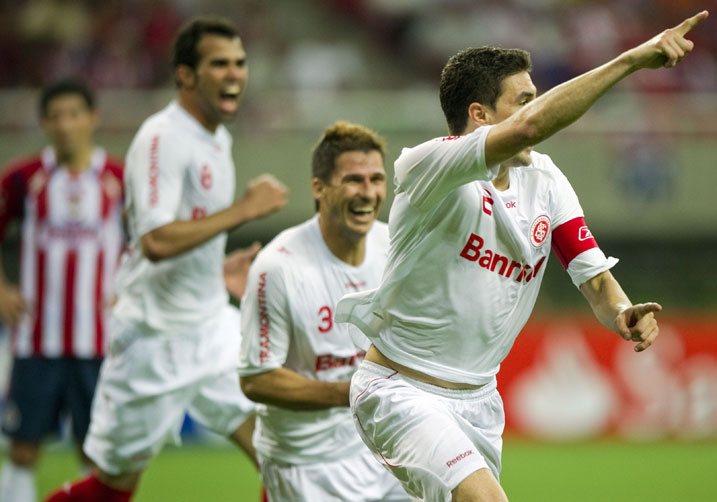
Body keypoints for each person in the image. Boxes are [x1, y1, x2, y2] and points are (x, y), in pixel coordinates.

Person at [335, 11, 709, 502]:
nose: (537, 109)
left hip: (480, 403)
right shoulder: (429, 165)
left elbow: (594, 277)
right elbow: (530, 128)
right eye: (524, 99)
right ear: (480, 115)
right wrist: (631, 61)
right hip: (401, 389)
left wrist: (622, 311)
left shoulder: (545, 180)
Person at [44, 16, 288, 502]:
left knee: (286, 458)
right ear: (185, 76)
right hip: (152, 339)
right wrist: (244, 210)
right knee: (113, 487)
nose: (234, 74)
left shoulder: (216, 138)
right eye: (219, 64)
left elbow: (185, 230)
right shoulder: (163, 138)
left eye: (239, 63)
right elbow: (155, 240)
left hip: (211, 329)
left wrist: (215, 270)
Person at [238, 121, 410, 502]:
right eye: (353, 180)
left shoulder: (394, 247)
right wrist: (351, 392)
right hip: (308, 463)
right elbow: (256, 379)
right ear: (319, 188)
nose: (368, 193)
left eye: (376, 179)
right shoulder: (278, 267)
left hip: (383, 451)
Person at [0, 79, 124, 502]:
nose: (65, 124)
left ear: (93, 119)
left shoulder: (118, 179)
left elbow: (151, 242)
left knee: (96, 451)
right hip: (37, 339)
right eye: (56, 116)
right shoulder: (24, 178)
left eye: (74, 115)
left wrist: (130, 289)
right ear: (44, 123)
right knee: (22, 449)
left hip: (99, 342)